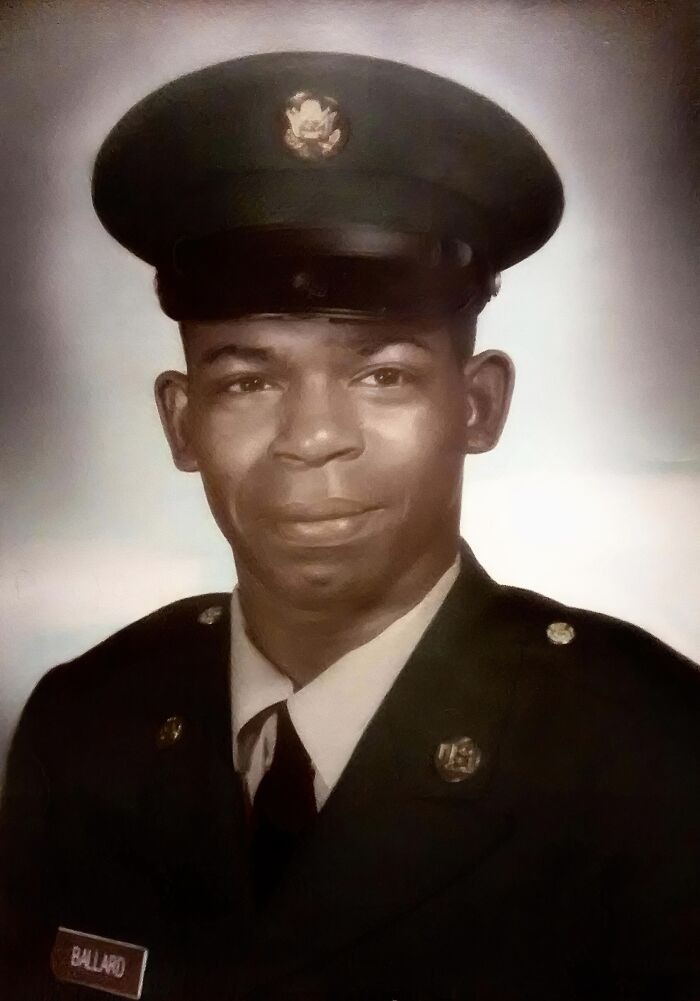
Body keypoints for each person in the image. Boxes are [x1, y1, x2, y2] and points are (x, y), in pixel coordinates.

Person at [0, 51, 698, 1001]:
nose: (313, 439)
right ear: (181, 421)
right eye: (248, 379)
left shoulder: (650, 751)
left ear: (479, 405)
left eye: (384, 374)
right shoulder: (83, 728)